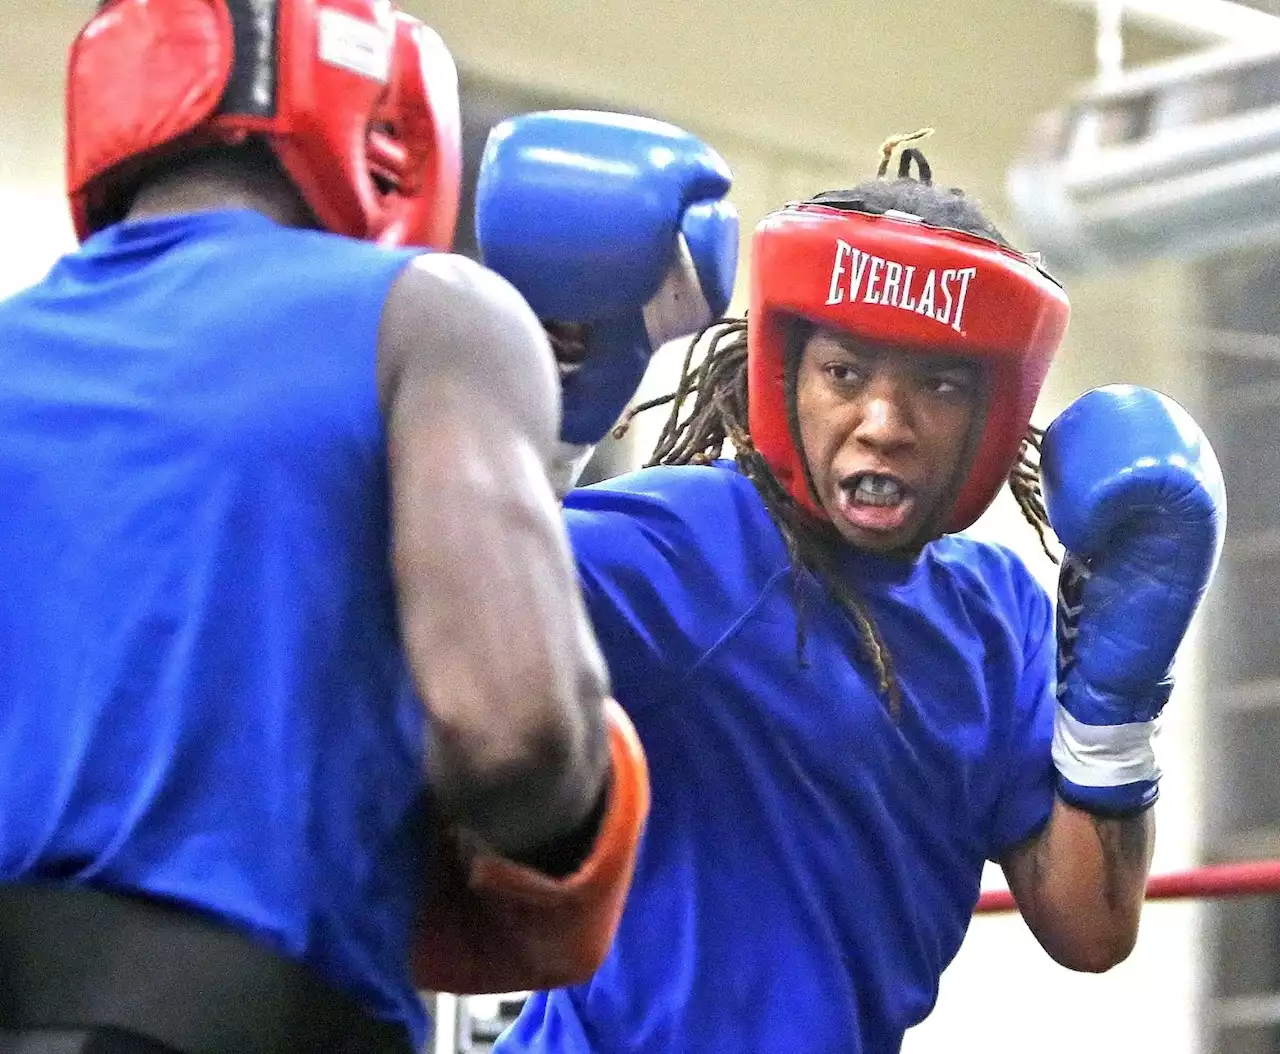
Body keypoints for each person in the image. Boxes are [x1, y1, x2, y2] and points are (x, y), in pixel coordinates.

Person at [0, 1, 749, 1050]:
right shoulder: (431, 311)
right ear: (383, 120)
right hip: (250, 1011)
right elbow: (511, 736)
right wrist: (575, 816)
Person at [473, 129, 1228, 1052]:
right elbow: (420, 632)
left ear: (992, 413)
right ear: (785, 375)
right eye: (845, 373)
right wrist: (549, 426)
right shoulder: (688, 545)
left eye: (940, 385)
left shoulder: (1001, 616)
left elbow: (1091, 927)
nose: (885, 423)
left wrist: (1118, 690)